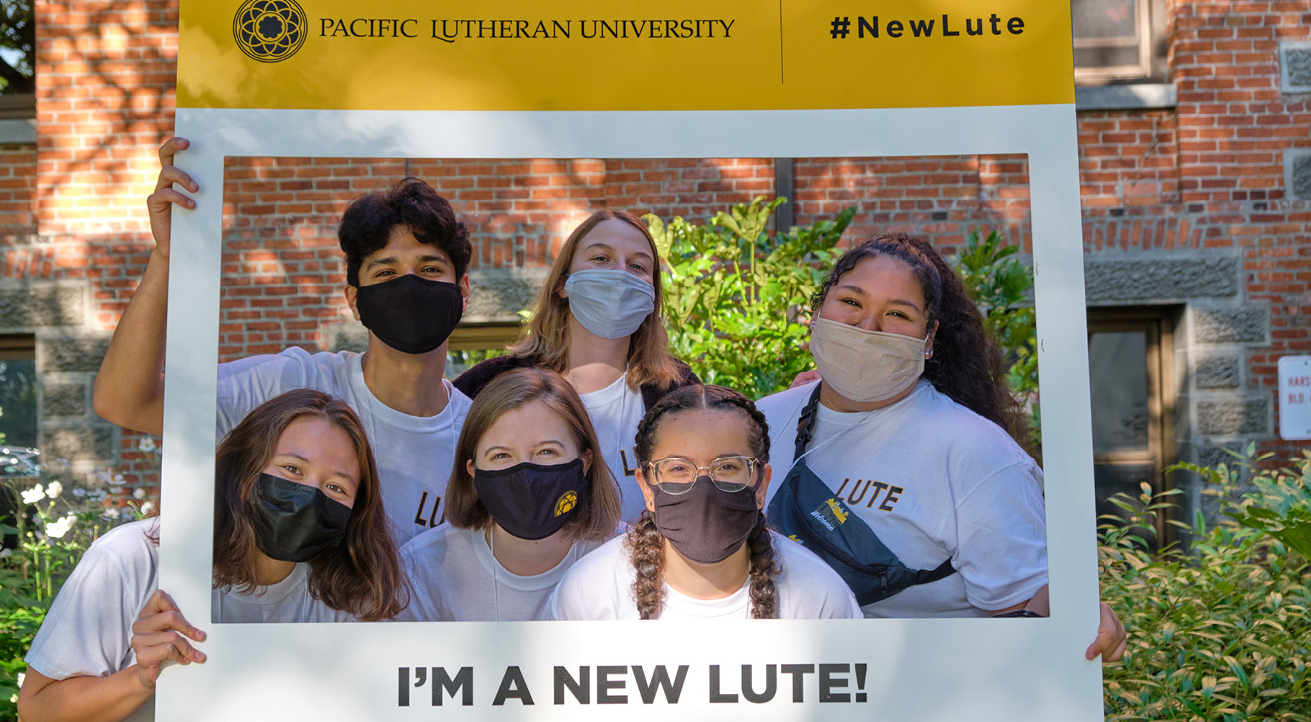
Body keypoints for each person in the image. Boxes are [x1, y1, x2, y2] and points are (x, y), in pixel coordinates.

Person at [757, 232, 1127, 659]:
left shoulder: (976, 453)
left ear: (929, 338)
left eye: (897, 313)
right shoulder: (763, 421)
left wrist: (1078, 613)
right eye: (852, 302)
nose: (868, 327)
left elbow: (1030, 616)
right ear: (818, 312)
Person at [93, 138, 473, 544]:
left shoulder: (480, 436)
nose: (409, 285)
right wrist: (167, 257)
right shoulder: (291, 385)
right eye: (385, 272)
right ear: (354, 301)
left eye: (429, 268)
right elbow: (127, 402)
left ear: (463, 291)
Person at [18, 389, 406, 722]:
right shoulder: (134, 558)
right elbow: (35, 711)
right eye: (291, 469)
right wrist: (141, 678)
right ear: (243, 468)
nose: (310, 495)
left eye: (336, 487)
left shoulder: (349, 596)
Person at [454, 210, 698, 522]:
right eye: (600, 258)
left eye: (637, 265)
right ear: (563, 284)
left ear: (652, 294)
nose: (619, 274)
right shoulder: (488, 385)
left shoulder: (680, 393)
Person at [549, 383, 862, 620]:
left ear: (761, 484)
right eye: (679, 468)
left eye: (727, 466)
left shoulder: (818, 597)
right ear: (647, 489)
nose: (702, 484)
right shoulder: (590, 593)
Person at [396, 368, 621, 621]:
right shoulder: (422, 570)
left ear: (585, 462)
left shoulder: (629, 560)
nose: (525, 474)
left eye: (547, 451)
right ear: (472, 471)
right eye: (501, 455)